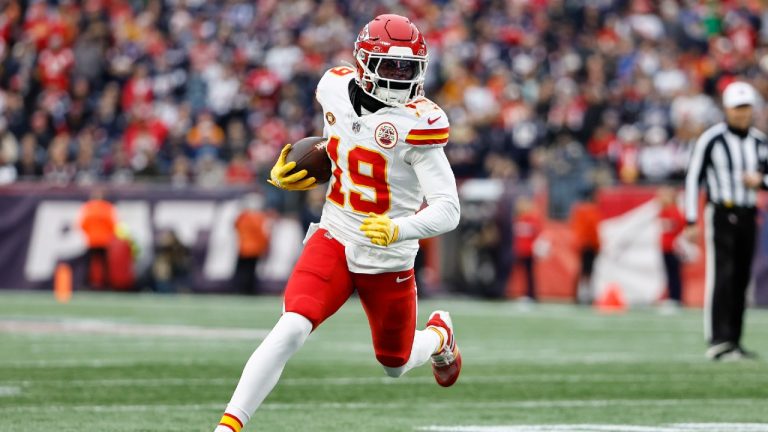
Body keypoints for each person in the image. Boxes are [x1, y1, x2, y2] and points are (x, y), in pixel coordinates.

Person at [213, 15, 461, 432]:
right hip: (336, 234)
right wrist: (299, 169)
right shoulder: (333, 88)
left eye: (409, 68)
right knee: (292, 327)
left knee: (395, 363)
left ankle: (439, 335)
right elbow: (341, 142)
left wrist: (399, 229)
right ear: (364, 63)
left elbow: (449, 208)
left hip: (388, 254)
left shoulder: (419, 124)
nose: (400, 77)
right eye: (390, 66)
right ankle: (228, 427)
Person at [684, 81, 766, 361]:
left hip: (748, 214)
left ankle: (734, 339)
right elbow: (693, 179)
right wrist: (691, 219)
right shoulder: (712, 139)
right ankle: (718, 340)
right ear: (727, 110)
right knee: (722, 275)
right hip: (721, 212)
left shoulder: (759, 142)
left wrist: (760, 181)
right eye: (737, 108)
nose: (742, 113)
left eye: (746, 108)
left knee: (742, 277)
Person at [78, 189, 117, 289]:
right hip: (104, 241)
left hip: (92, 240)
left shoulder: (88, 208)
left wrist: (90, 234)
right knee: (105, 264)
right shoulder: (107, 208)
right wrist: (107, 235)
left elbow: (82, 224)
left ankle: (87, 283)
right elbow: (113, 224)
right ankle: (106, 284)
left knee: (89, 263)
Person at [233, 194, 270, 295]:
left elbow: (235, 226)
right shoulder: (259, 218)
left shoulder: (243, 217)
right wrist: (264, 246)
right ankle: (247, 290)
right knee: (250, 270)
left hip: (243, 247)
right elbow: (263, 234)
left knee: (242, 270)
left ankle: (239, 289)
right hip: (254, 249)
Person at [569, 190, 601, 304]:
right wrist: (598, 246)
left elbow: (575, 229)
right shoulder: (592, 211)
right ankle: (586, 295)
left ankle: (578, 295)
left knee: (582, 271)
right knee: (588, 272)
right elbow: (594, 230)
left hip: (581, 245)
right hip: (589, 245)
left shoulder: (578, 211)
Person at [657, 186, 686, 311]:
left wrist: (679, 244)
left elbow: (681, 228)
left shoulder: (675, 212)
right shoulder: (663, 211)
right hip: (665, 248)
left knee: (674, 274)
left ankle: (676, 298)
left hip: (673, 248)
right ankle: (672, 297)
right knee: (669, 274)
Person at [513, 196, 542, 301]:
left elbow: (537, 234)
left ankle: (531, 294)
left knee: (529, 274)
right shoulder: (517, 219)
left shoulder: (532, 219)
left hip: (529, 252)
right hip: (520, 251)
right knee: (522, 274)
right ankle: (523, 293)